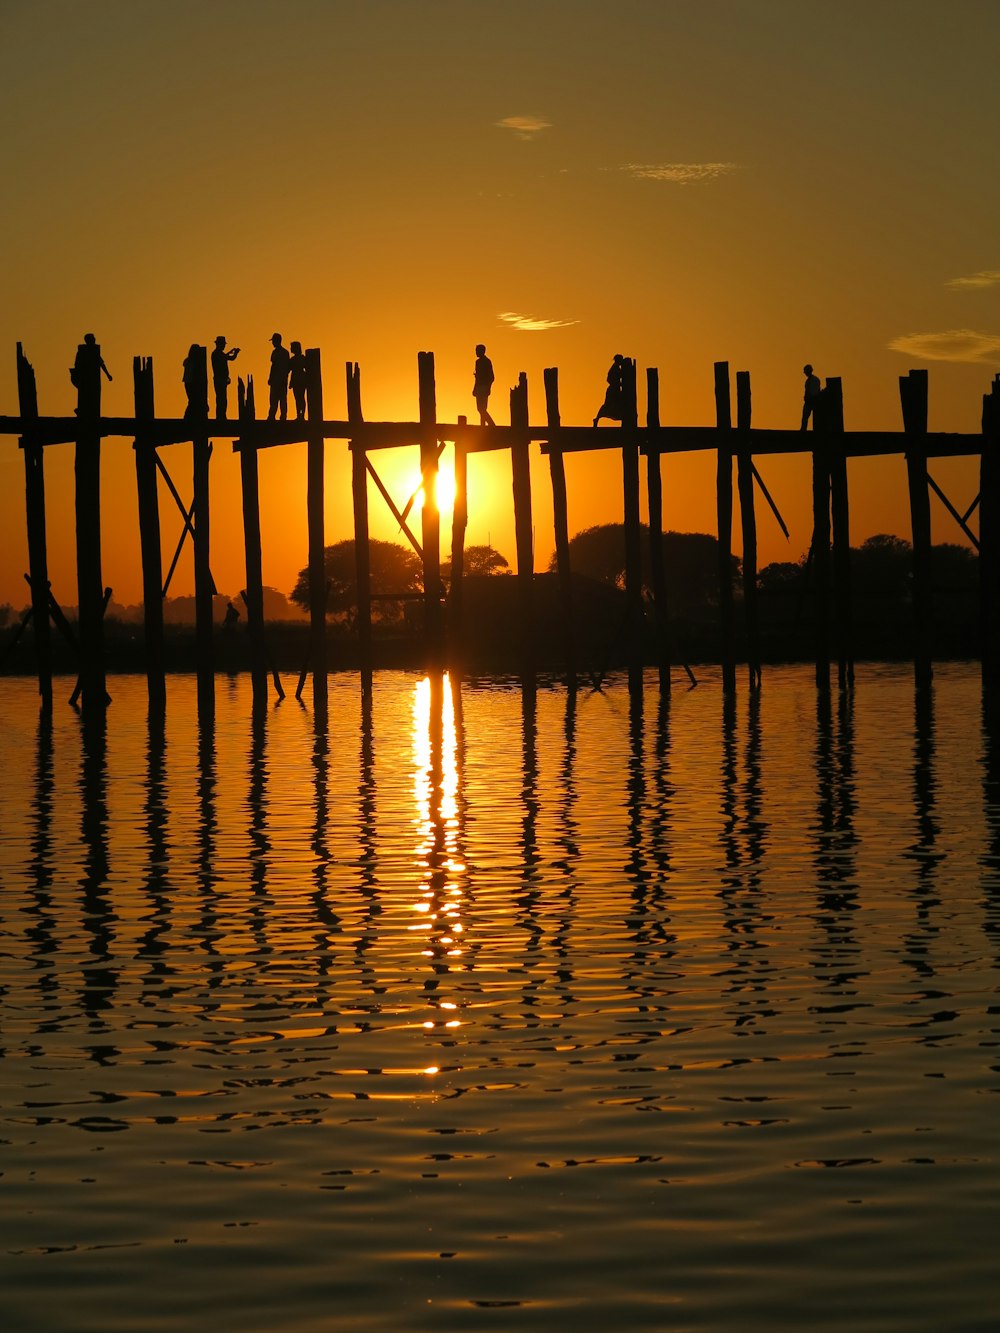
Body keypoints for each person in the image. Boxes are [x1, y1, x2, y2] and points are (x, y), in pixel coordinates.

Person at [70, 333, 112, 414]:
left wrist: (107, 374)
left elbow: (101, 363)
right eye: (93, 338)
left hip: (93, 379)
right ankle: (82, 410)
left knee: (92, 396)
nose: (94, 340)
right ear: (89, 340)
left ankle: (86, 411)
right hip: (85, 379)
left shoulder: (94, 351)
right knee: (85, 395)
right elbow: (77, 365)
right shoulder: (82, 351)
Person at [211, 336, 240, 420]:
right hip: (219, 380)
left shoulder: (217, 354)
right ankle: (221, 417)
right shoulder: (217, 354)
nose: (224, 346)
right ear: (219, 344)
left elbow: (226, 357)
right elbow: (230, 358)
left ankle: (221, 416)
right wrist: (235, 353)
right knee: (221, 399)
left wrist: (231, 353)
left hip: (221, 379)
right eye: (223, 344)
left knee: (221, 399)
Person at [593, 354, 625, 426]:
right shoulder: (614, 368)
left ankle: (597, 419)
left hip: (615, 390)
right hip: (613, 390)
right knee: (608, 405)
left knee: (617, 405)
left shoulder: (617, 368)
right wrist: (617, 384)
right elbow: (608, 379)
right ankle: (597, 419)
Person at [268, 333, 291, 421]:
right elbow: (288, 367)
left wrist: (271, 378)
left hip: (276, 380)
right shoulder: (285, 352)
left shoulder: (275, 353)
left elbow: (273, 366)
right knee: (282, 399)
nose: (272, 343)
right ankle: (283, 417)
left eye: (273, 341)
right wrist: (284, 376)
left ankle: (272, 416)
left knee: (274, 399)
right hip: (282, 380)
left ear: (277, 341)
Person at [182, 344, 208, 419]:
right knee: (193, 401)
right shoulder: (191, 362)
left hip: (188, 383)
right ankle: (187, 417)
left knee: (192, 401)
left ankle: (188, 417)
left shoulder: (189, 362)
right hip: (190, 384)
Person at [473, 343, 495, 426]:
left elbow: (491, 377)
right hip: (480, 387)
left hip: (483, 387)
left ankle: (491, 424)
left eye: (477, 351)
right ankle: (482, 425)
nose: (476, 352)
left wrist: (488, 387)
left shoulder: (484, 362)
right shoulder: (479, 362)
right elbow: (478, 377)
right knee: (481, 409)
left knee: (481, 409)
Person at [289, 341, 308, 421]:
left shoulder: (294, 360)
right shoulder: (302, 358)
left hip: (298, 380)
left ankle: (301, 415)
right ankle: (300, 415)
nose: (290, 349)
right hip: (300, 380)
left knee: (299, 398)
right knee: (300, 398)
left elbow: (290, 370)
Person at [801, 363, 821, 431]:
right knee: (805, 416)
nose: (805, 373)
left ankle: (804, 429)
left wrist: (809, 398)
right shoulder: (809, 381)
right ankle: (803, 429)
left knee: (813, 417)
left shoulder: (815, 380)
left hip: (813, 401)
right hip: (810, 401)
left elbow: (814, 391)